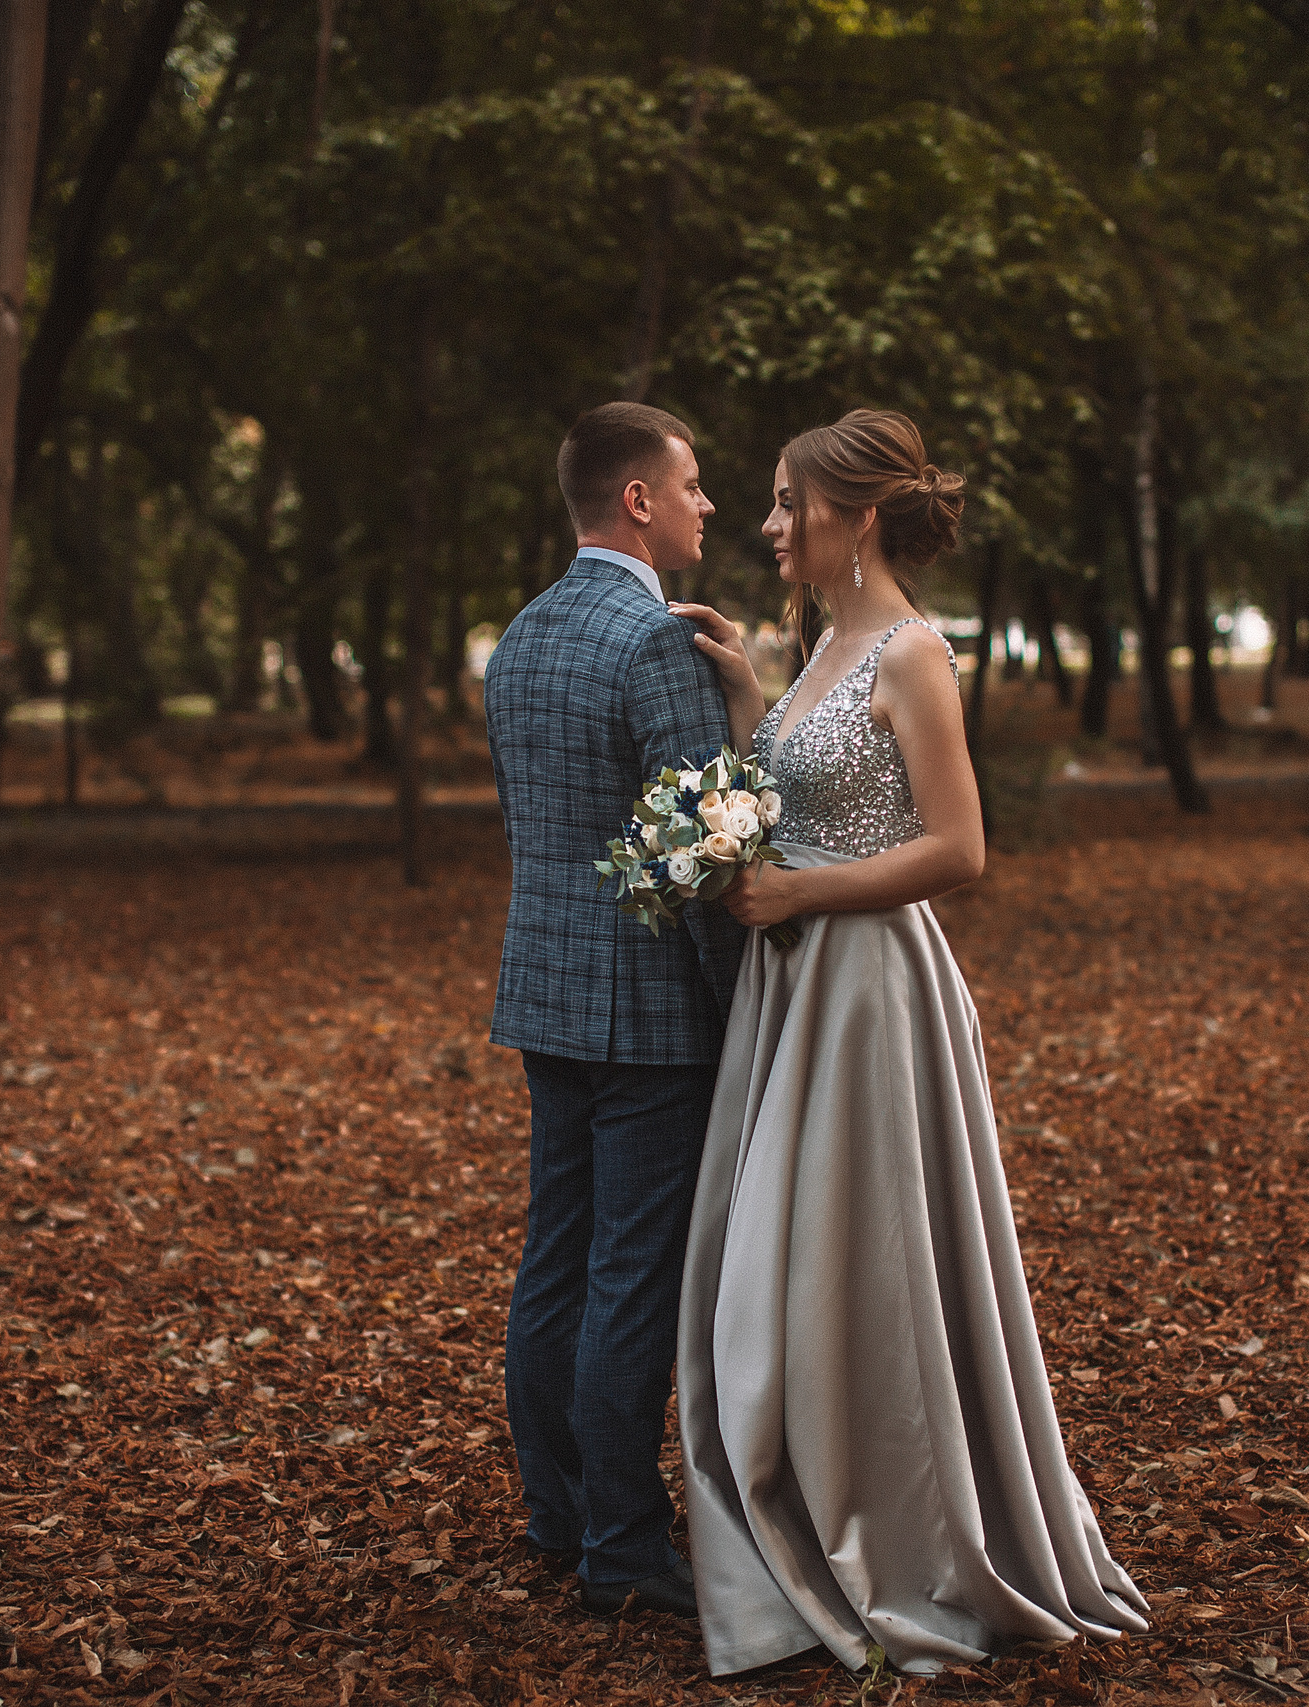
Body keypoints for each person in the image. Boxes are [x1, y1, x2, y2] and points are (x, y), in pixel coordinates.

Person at [665, 409, 1151, 1676]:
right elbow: (820, 790)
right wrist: (748, 705)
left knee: (856, 1258)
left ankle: (902, 1532)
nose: (767, 526)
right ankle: (799, 1504)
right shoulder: (823, 644)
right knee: (777, 1256)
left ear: (855, 516)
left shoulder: (915, 652)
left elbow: (958, 851)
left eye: (785, 503)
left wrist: (794, 895)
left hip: (871, 991)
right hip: (795, 994)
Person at [483, 401, 739, 1619]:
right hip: (647, 1016)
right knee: (631, 1276)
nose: (706, 504)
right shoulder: (656, 646)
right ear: (636, 500)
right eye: (690, 484)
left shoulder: (520, 638)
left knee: (558, 1263)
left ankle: (558, 1510)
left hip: (544, 996)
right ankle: (626, 1554)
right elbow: (695, 863)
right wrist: (747, 1001)